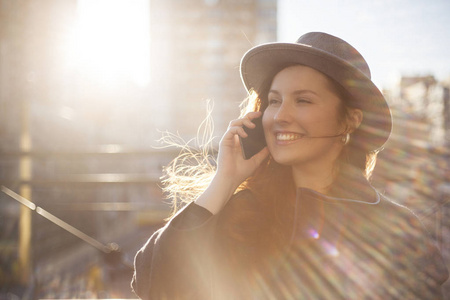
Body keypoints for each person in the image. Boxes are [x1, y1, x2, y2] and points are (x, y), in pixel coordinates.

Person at [131, 32, 449, 299]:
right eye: (273, 100)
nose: (280, 115)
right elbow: (153, 284)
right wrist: (224, 181)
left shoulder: (396, 226)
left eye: (303, 100)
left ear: (351, 120)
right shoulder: (243, 211)